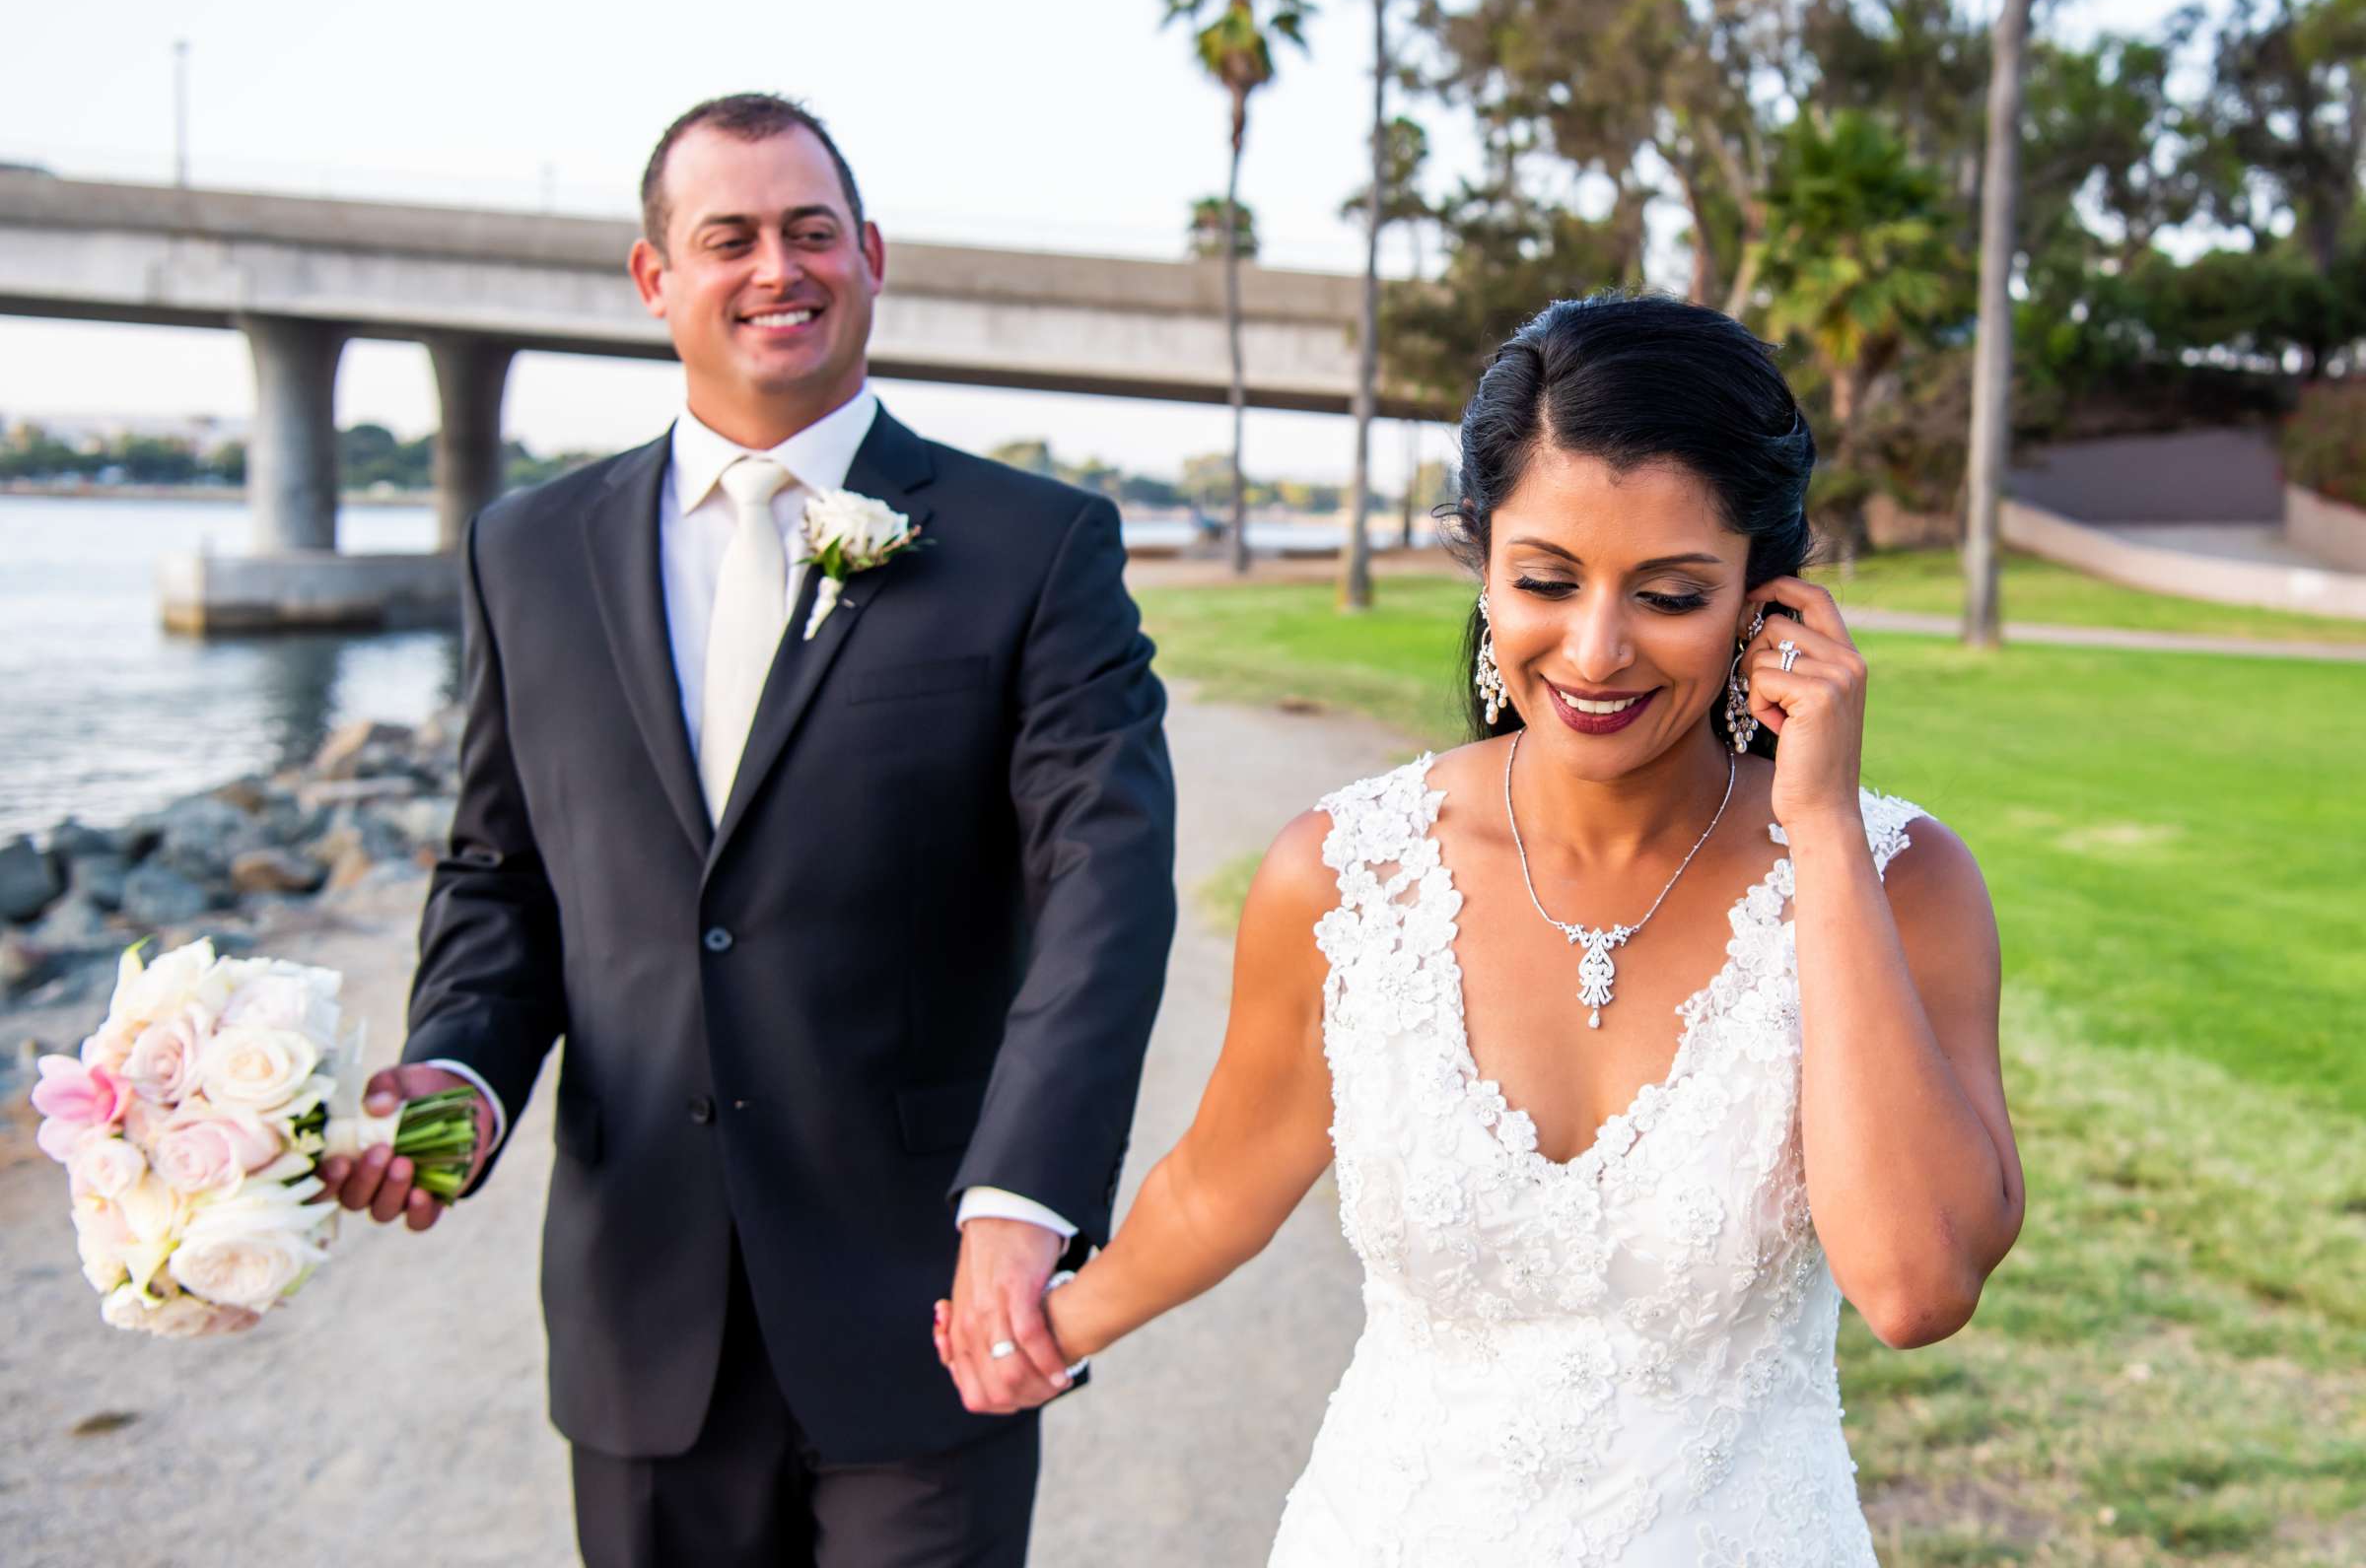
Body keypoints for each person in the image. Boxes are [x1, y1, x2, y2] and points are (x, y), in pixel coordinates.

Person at [941, 293, 2026, 1563]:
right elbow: (1223, 1183)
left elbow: (1916, 1286)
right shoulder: (1346, 876)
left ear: (1766, 601)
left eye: (1671, 593)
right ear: (1485, 564)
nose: (1598, 649)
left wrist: (1823, 830)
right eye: (1546, 582)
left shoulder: (1901, 882)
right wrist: (1042, 1331)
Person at [316, 93, 1177, 1566]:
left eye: (809, 231)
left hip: (930, 1297)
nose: (776, 267)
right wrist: (454, 1075)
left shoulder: (1035, 548)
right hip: (638, 1296)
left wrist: (1023, 1199)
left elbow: (1107, 884)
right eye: (730, 238)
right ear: (656, 279)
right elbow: (502, 876)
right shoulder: (525, 552)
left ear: (871, 255)